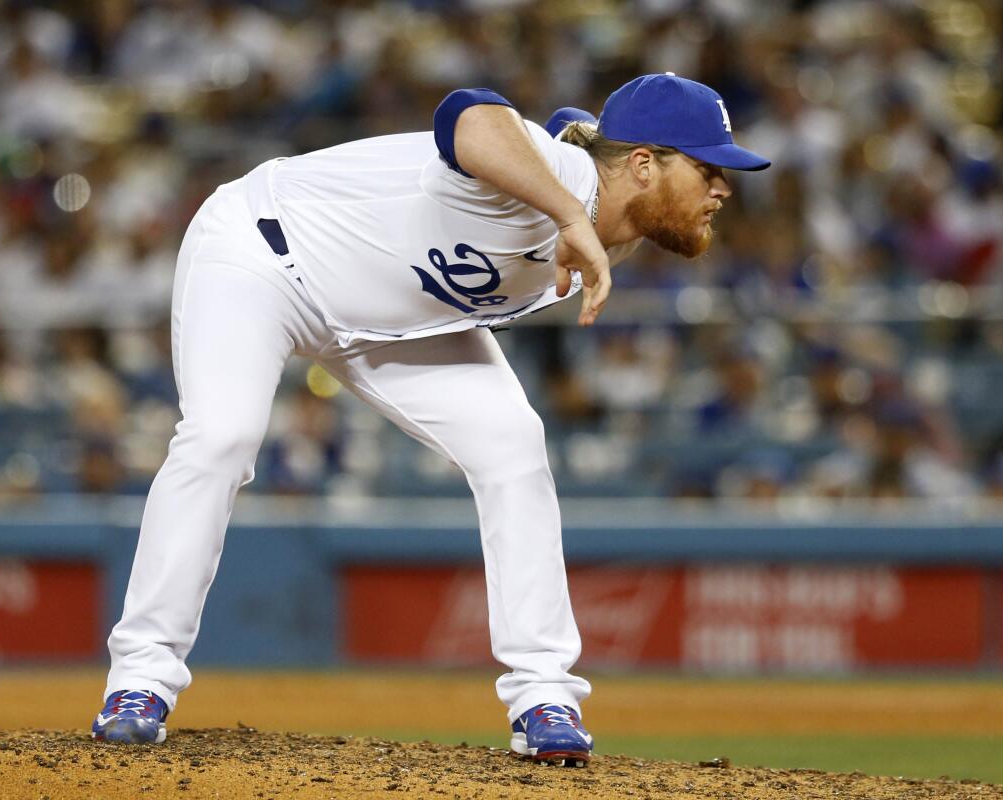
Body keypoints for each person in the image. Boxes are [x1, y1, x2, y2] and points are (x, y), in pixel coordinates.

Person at [91, 73, 770, 766]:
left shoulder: (615, 214)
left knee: (513, 443)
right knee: (222, 436)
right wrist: (568, 215)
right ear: (645, 164)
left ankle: (545, 696)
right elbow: (470, 113)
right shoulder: (566, 179)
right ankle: (140, 682)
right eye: (708, 168)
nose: (723, 187)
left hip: (393, 323)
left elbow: (569, 124)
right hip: (262, 255)